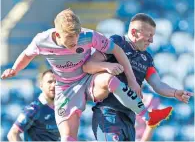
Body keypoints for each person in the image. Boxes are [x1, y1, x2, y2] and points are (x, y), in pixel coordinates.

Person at [2, 9, 173, 141]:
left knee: (108, 79)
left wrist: (131, 79)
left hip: (88, 78)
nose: (73, 47)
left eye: (76, 41)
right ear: (57, 34)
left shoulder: (89, 36)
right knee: (68, 138)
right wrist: (15, 70)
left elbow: (117, 50)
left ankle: (147, 116)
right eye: (69, 42)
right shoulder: (42, 40)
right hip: (67, 87)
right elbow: (27, 54)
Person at [83, 13, 193, 141]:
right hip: (109, 114)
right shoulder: (117, 42)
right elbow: (89, 65)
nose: (151, 41)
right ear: (134, 32)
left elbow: (157, 84)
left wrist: (174, 93)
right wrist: (107, 65)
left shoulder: (147, 58)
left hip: (129, 118)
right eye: (149, 36)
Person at [7, 69, 60, 141]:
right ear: (41, 85)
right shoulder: (34, 109)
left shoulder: (62, 107)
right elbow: (12, 134)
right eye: (50, 82)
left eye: (57, 82)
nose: (54, 85)